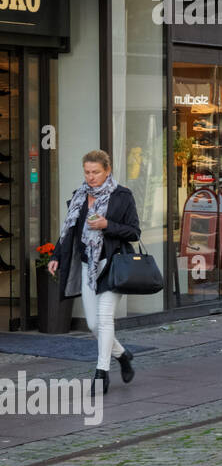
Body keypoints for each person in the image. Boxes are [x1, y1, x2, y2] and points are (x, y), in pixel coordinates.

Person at [49, 150, 142, 394]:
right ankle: (122, 355)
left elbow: (134, 232)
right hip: (87, 267)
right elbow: (68, 231)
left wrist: (106, 225)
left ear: (107, 170)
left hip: (111, 266)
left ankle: (101, 373)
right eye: (87, 172)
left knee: (104, 318)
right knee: (92, 324)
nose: (91, 177)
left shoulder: (122, 196)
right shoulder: (79, 196)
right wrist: (56, 256)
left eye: (96, 172)